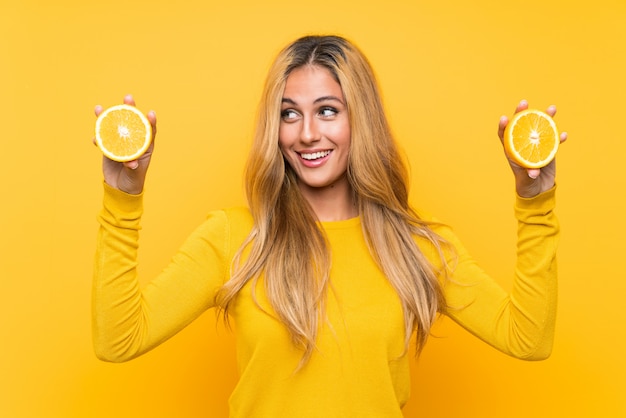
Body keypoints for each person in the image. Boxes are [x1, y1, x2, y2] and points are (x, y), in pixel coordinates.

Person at [92, 35, 566, 417]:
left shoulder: (417, 247)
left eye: (327, 110)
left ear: (361, 119)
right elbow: (118, 339)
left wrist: (535, 202)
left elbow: (527, 339)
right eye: (289, 114)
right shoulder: (234, 238)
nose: (307, 134)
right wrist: (123, 198)